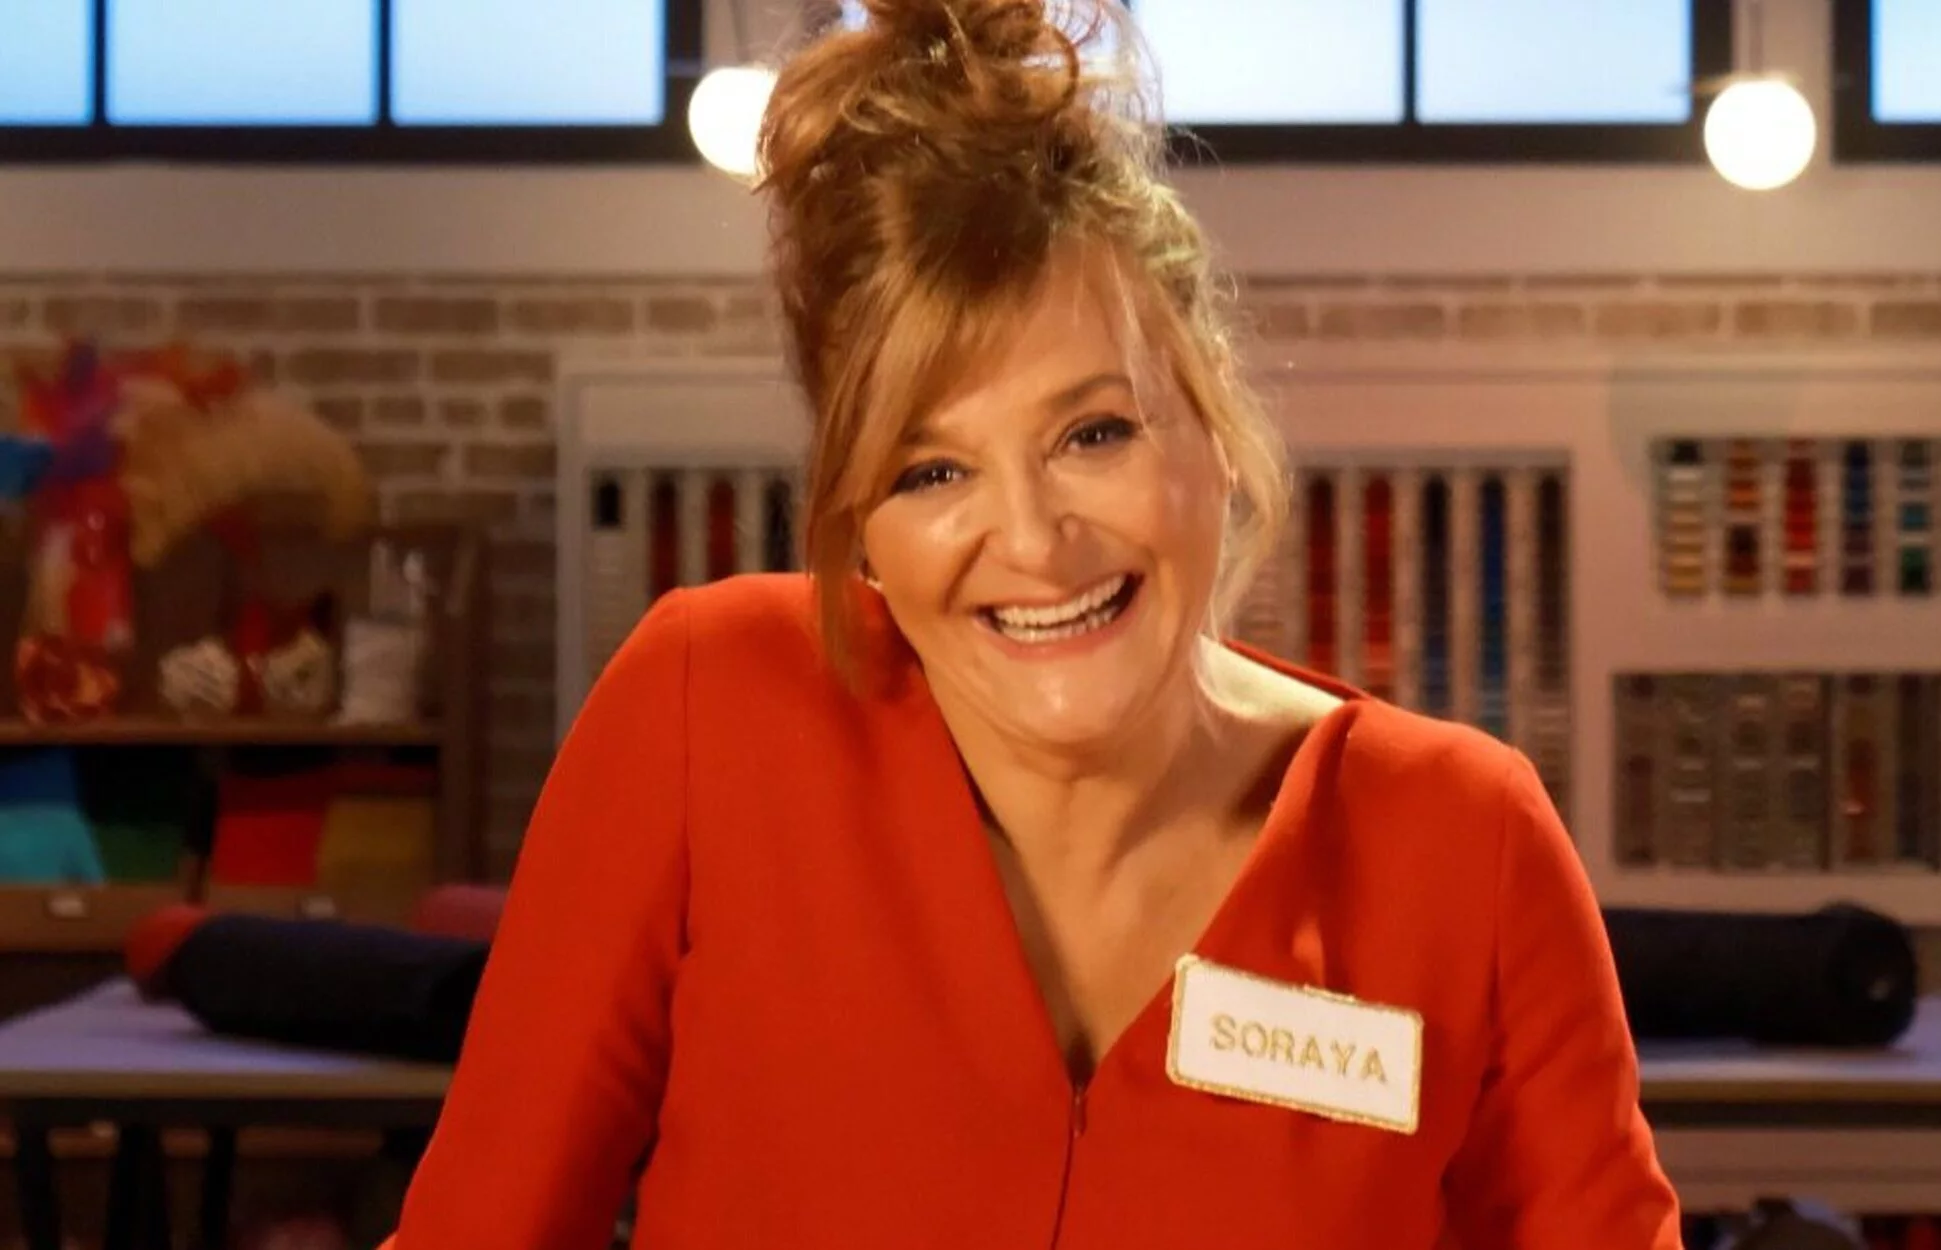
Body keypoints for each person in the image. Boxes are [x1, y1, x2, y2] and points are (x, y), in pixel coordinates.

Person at [383, 0, 1680, 1246]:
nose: (1032, 540)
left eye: (1093, 433)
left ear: (1215, 431)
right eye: (931, 470)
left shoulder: (1461, 843)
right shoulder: (707, 715)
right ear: (860, 521)